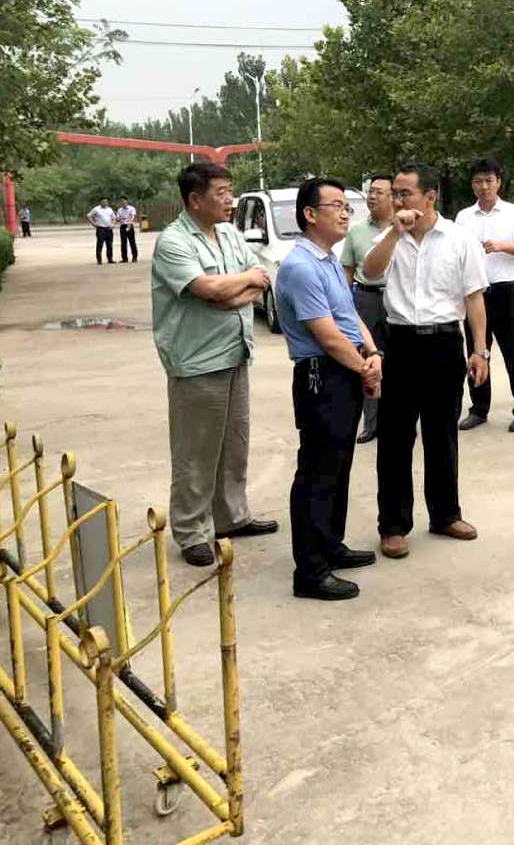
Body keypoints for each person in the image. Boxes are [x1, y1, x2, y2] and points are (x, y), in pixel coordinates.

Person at [151, 163, 278, 567]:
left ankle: (229, 517)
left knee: (233, 444)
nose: (230, 200)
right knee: (196, 451)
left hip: (235, 352)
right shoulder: (174, 241)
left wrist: (230, 295)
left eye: (230, 190)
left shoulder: (229, 234)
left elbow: (260, 279)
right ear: (195, 199)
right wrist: (233, 287)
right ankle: (191, 532)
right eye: (221, 192)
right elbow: (206, 287)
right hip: (196, 361)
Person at [361, 161, 490, 559]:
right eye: (395, 194)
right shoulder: (390, 237)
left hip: (444, 343)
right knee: (395, 438)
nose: (397, 201)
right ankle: (393, 525)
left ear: (430, 197)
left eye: (405, 194)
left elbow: (474, 297)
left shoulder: (460, 239)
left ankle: (446, 514)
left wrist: (479, 350)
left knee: (442, 434)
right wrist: (394, 233)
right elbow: (369, 272)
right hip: (400, 343)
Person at [275, 177, 381, 600]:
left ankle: (330, 545)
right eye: (335, 206)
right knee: (317, 473)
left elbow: (349, 316)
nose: (344, 213)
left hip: (346, 370)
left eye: (346, 207)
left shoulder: (329, 261)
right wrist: (364, 368)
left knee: (338, 466)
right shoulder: (300, 266)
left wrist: (373, 352)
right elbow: (327, 335)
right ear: (309, 214)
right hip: (322, 374)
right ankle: (310, 570)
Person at [455, 157, 514, 433]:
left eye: (489, 180)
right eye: (478, 181)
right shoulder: (464, 217)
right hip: (473, 293)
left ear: (498, 182)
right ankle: (479, 409)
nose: (484, 186)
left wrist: (501, 246)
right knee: (477, 351)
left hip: (503, 290)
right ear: (472, 185)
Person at [341, 174, 394, 444]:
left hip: (396, 299)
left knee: (398, 360)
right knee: (368, 360)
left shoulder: (404, 228)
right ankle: (371, 424)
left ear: (393, 197)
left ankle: (398, 418)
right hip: (366, 298)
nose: (372, 196)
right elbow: (347, 273)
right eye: (371, 191)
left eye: (379, 192)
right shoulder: (356, 231)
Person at [87, 199, 115, 264]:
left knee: (109, 245)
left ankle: (110, 259)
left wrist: (113, 224)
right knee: (100, 244)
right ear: (101, 202)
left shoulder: (110, 209)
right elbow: (89, 215)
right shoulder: (96, 209)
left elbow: (114, 217)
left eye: (106, 202)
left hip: (109, 229)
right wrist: (93, 223)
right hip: (101, 229)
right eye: (103, 202)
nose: (105, 203)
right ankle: (99, 260)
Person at [116, 199, 139, 263]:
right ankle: (124, 258)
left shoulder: (131, 208)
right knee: (123, 243)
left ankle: (134, 257)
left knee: (132, 242)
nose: (123, 203)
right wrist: (119, 218)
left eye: (124, 202)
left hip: (129, 225)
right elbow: (117, 218)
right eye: (122, 202)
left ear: (127, 202)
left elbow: (133, 216)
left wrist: (130, 223)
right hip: (123, 226)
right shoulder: (119, 210)